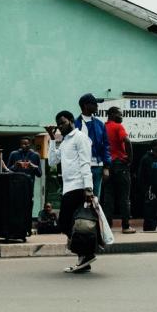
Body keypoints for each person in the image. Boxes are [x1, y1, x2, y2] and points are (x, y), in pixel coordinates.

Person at [46, 110, 96, 273]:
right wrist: (53, 139)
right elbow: (53, 160)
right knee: (73, 224)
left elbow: (85, 163)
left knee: (65, 223)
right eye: (59, 124)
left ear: (71, 121)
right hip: (68, 187)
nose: (60, 126)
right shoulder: (66, 140)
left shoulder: (80, 138)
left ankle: (85, 254)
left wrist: (88, 188)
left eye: (63, 122)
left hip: (79, 186)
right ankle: (84, 257)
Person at [102, 106, 134, 233]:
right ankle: (125, 226)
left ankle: (107, 227)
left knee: (108, 198)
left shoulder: (103, 127)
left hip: (107, 166)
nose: (122, 117)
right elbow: (127, 140)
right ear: (112, 114)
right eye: (120, 114)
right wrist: (130, 158)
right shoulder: (117, 126)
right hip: (120, 165)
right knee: (124, 198)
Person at [75, 94, 111, 198]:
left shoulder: (100, 124)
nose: (97, 106)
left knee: (95, 199)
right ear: (86, 105)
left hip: (97, 167)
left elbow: (106, 145)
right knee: (80, 198)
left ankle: (94, 215)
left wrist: (106, 167)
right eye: (95, 104)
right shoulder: (75, 124)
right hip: (80, 167)